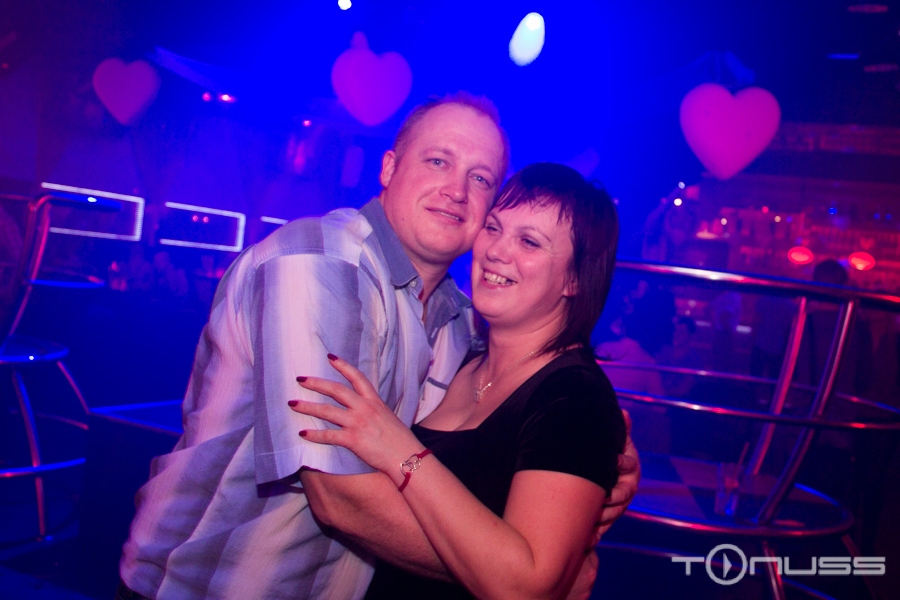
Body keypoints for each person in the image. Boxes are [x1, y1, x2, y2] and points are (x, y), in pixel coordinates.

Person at [119, 95, 639, 599]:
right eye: (438, 161)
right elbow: (340, 495)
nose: (457, 191)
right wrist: (526, 579)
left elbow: (516, 438)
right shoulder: (321, 264)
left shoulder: (460, 325)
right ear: (389, 168)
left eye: (480, 179)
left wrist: (595, 466)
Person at [291, 163, 627, 598]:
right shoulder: (458, 354)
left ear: (575, 278)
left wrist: (400, 450)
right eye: (494, 228)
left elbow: (525, 587)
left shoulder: (575, 397)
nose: (496, 251)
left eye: (528, 241)